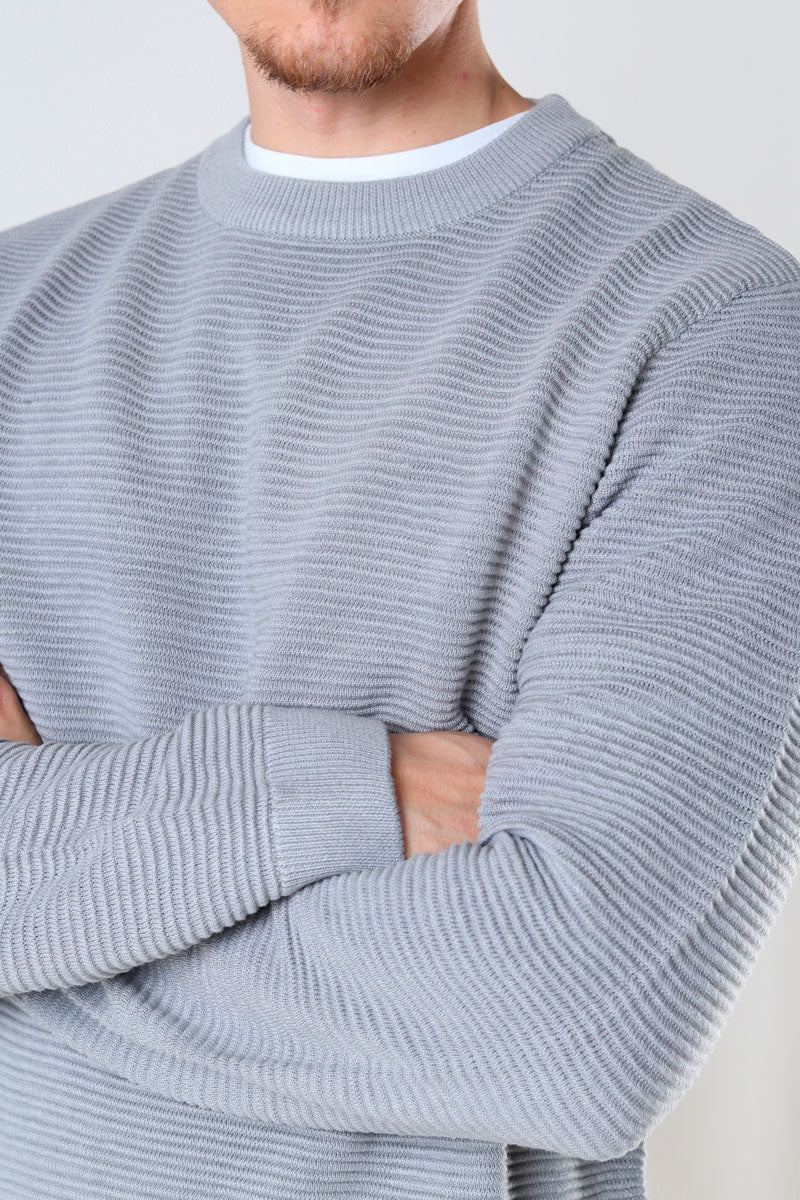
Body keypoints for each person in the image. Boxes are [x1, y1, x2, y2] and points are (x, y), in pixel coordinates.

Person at [1, 2, 799, 1197]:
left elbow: (574, 1031)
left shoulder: (715, 328)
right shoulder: (13, 306)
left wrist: (45, 934)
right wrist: (337, 788)